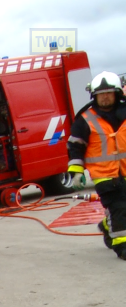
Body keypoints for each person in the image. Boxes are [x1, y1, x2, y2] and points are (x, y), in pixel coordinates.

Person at [66, 71, 126, 260]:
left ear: (117, 93)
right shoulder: (84, 119)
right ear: (94, 95)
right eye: (101, 94)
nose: (105, 96)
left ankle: (107, 226)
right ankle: (121, 245)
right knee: (119, 208)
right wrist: (76, 172)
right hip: (104, 175)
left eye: (109, 92)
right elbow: (75, 148)